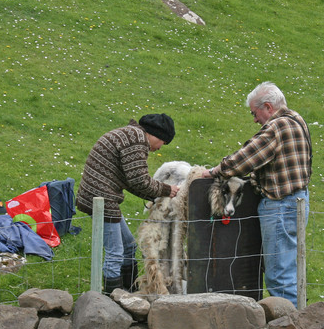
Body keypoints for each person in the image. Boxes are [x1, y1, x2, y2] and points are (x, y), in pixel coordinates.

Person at [205, 82, 311, 306]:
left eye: (255, 113)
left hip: (280, 205)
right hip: (298, 200)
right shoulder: (297, 120)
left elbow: (245, 159)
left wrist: (216, 171)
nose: (254, 119)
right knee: (290, 268)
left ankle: (287, 327)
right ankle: (300, 322)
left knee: (279, 275)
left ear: (268, 107)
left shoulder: (277, 126)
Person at [76, 113, 180, 293]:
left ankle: (129, 292)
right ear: (156, 135)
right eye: (163, 142)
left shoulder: (132, 135)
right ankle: (112, 298)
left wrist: (155, 198)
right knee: (115, 252)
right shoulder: (136, 141)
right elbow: (139, 180)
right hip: (102, 198)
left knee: (128, 245)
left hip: (99, 195)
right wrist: (166, 190)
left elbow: (129, 180)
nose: (161, 147)